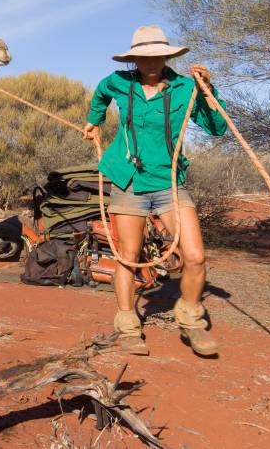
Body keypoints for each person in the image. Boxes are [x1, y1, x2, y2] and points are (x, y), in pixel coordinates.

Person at [82, 25, 227, 357]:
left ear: (166, 55)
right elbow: (102, 93)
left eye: (157, 55)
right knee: (128, 257)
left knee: (195, 256)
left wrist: (208, 90)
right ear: (134, 59)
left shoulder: (184, 88)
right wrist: (95, 120)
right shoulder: (119, 82)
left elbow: (217, 128)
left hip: (168, 183)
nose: (150, 62)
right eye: (143, 57)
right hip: (128, 180)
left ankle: (190, 318)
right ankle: (128, 325)